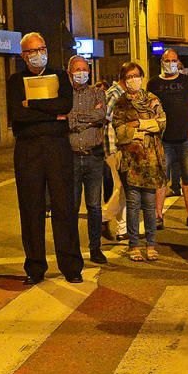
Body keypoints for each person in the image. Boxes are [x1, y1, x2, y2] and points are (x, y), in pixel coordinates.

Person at [5, 32, 83, 285]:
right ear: (23, 56)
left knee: (64, 207)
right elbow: (17, 115)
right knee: (31, 208)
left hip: (57, 147)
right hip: (28, 148)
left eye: (42, 49)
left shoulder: (60, 76)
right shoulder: (16, 81)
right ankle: (35, 267)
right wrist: (50, 113)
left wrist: (33, 105)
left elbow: (65, 105)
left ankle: (71, 266)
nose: (38, 55)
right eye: (32, 51)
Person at [112, 62, 165, 261]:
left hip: (151, 159)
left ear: (142, 77)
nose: (133, 79)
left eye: (136, 75)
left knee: (150, 205)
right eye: (129, 77)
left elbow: (161, 123)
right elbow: (120, 132)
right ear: (124, 81)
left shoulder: (152, 99)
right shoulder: (120, 103)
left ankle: (151, 244)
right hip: (131, 160)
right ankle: (134, 245)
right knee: (133, 204)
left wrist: (138, 125)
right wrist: (141, 129)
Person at [148, 48, 188, 230]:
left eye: (173, 60)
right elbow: (149, 109)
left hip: (186, 139)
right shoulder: (153, 83)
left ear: (178, 62)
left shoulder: (186, 81)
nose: (170, 63)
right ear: (161, 61)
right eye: (167, 60)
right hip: (164, 140)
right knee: (161, 178)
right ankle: (158, 216)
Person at [66, 55, 108, 264]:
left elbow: (102, 116)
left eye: (84, 69)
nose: (81, 73)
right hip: (71, 158)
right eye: (77, 69)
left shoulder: (98, 92)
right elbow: (65, 119)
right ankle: (72, 249)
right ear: (69, 72)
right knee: (71, 207)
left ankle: (95, 248)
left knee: (94, 206)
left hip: (93, 157)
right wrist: (89, 118)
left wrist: (76, 119)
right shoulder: (64, 95)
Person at [102, 76, 128, 242]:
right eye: (132, 76)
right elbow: (105, 117)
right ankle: (102, 218)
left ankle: (122, 229)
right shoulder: (115, 94)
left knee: (123, 188)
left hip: (120, 145)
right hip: (113, 146)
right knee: (121, 187)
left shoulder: (122, 93)